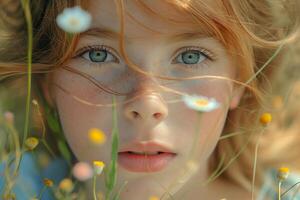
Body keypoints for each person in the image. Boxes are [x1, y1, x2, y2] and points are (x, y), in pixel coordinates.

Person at [0, 0, 299, 199]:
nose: (146, 104)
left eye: (191, 56)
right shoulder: (13, 187)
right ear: (47, 79)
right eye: (98, 54)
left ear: (242, 80)